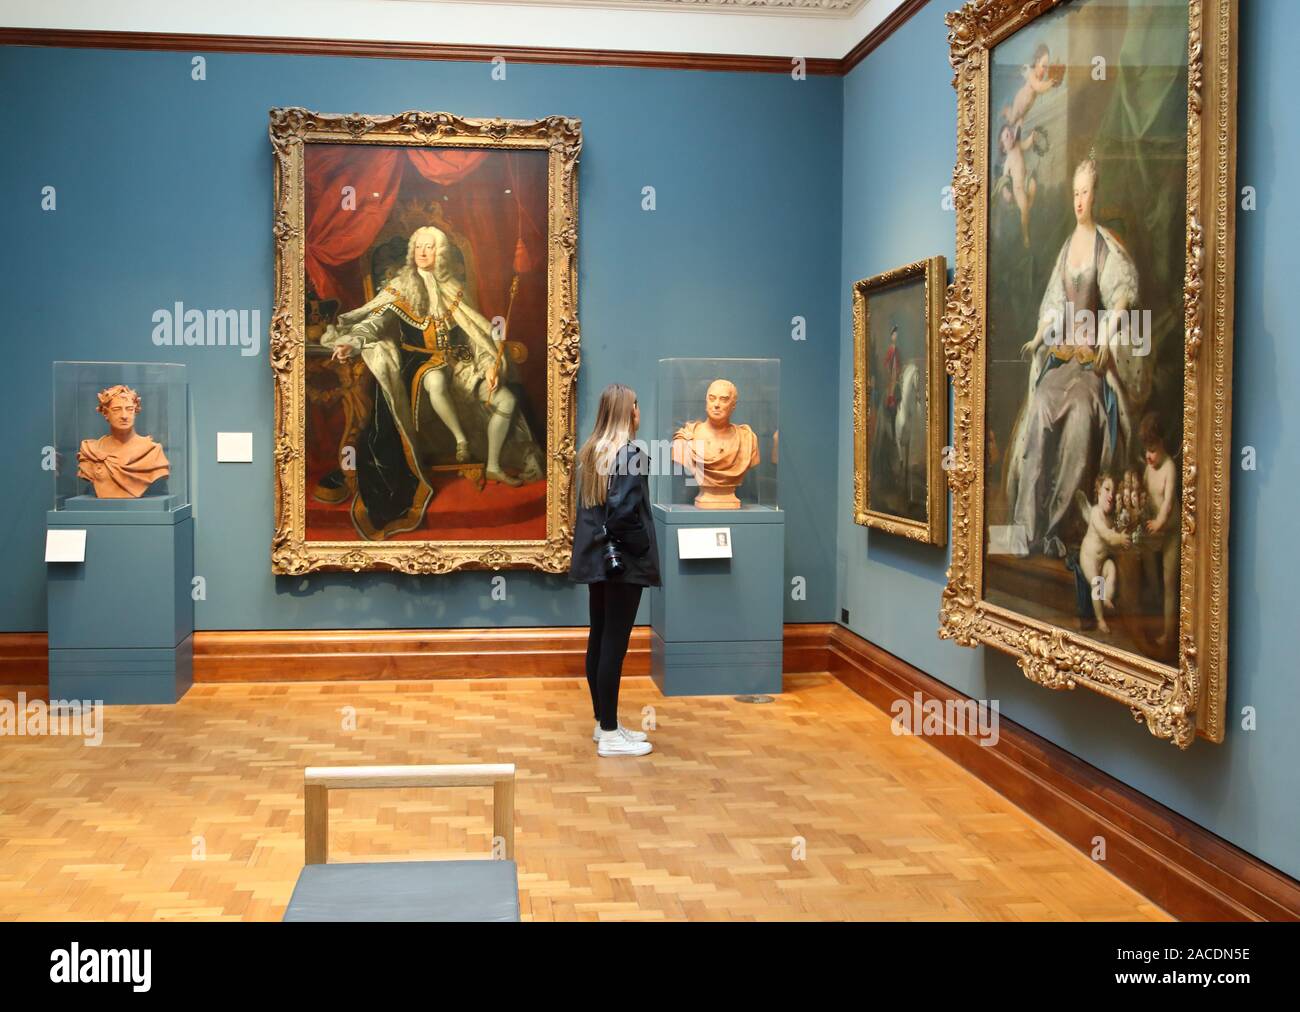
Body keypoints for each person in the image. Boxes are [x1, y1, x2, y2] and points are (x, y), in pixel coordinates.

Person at [321, 225, 545, 537]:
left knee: (506, 399)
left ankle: (493, 464)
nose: (423, 253)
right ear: (412, 252)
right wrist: (352, 342)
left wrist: (490, 366)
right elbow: (374, 324)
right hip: (419, 362)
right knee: (435, 382)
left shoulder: (454, 288)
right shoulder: (400, 287)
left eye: (429, 248)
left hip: (460, 361)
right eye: (418, 248)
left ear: (439, 253)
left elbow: (475, 334)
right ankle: (460, 441)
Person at [1008, 155, 1141, 555]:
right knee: (1042, 407)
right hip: (1064, 355)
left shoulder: (1105, 247)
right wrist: (1037, 337)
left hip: (1090, 363)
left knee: (1083, 412)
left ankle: (1058, 527)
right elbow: (1053, 305)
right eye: (1075, 194)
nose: (1080, 200)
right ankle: (1027, 530)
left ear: (1096, 195)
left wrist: (1107, 338)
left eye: (1086, 193)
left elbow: (1121, 297)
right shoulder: (1067, 248)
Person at [569, 384, 661, 758]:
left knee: (600, 637)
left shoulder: (592, 451)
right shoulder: (631, 454)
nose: (639, 411)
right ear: (628, 412)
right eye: (636, 405)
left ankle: (603, 722)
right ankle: (609, 733)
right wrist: (642, 547)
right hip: (623, 564)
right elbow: (623, 513)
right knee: (614, 645)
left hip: (599, 560)